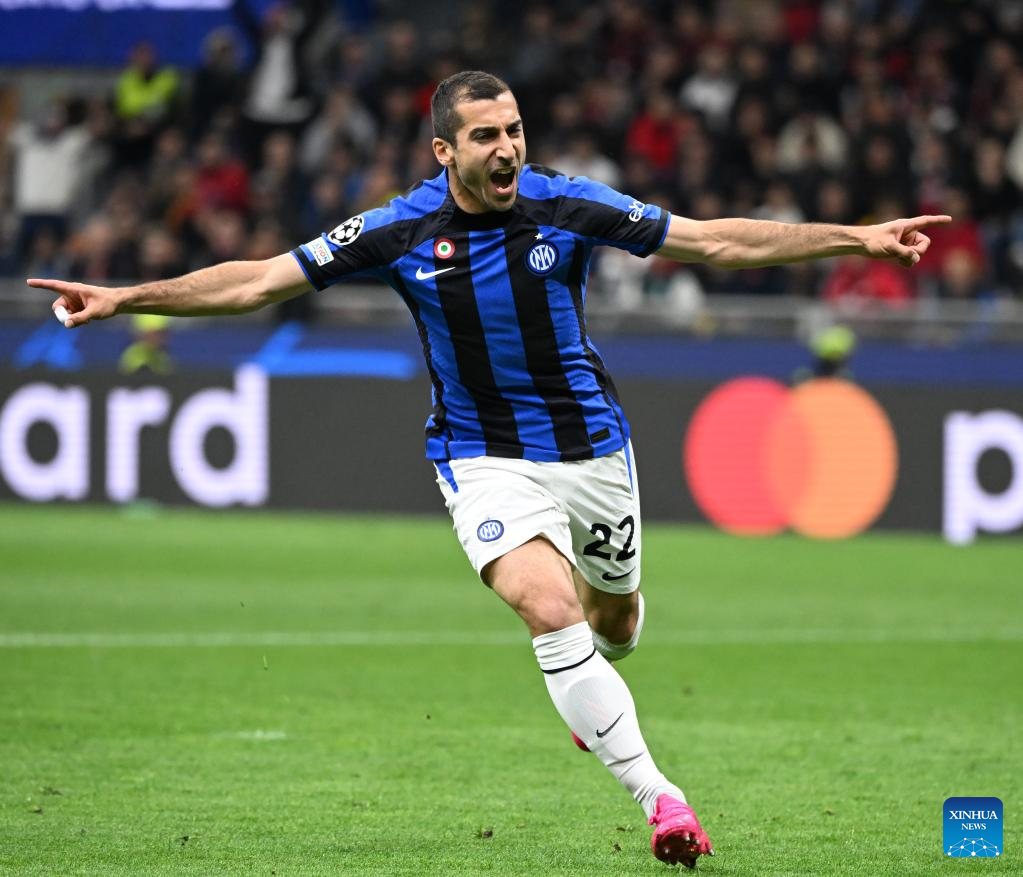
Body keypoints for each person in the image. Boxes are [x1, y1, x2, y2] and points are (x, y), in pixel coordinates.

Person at [29, 70, 949, 869]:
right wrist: (123, 297)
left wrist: (854, 237)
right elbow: (257, 280)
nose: (507, 148)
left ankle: (590, 677)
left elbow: (711, 240)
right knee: (546, 609)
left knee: (613, 623)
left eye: (514, 131)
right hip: (477, 454)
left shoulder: (570, 203)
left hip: (593, 453)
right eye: (486, 136)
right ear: (444, 151)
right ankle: (660, 798)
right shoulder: (394, 231)